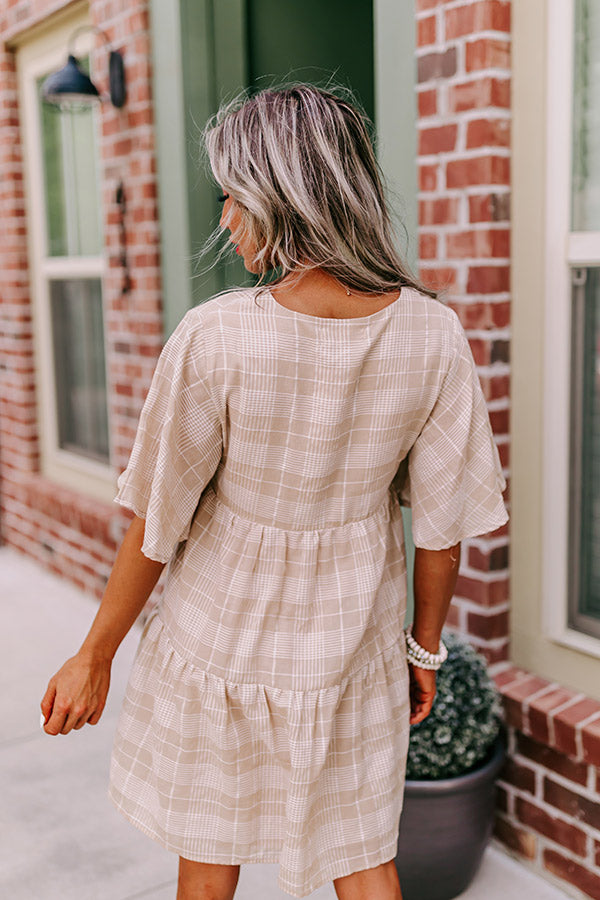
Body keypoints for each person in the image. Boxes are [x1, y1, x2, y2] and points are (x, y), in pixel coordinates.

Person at [40, 84, 508, 900]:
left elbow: (156, 517)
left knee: (209, 855)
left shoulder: (219, 336)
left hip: (221, 638)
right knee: (361, 853)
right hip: (351, 646)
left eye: (232, 197)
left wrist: (96, 654)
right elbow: (443, 525)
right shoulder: (433, 335)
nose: (225, 221)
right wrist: (422, 648)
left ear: (280, 197)